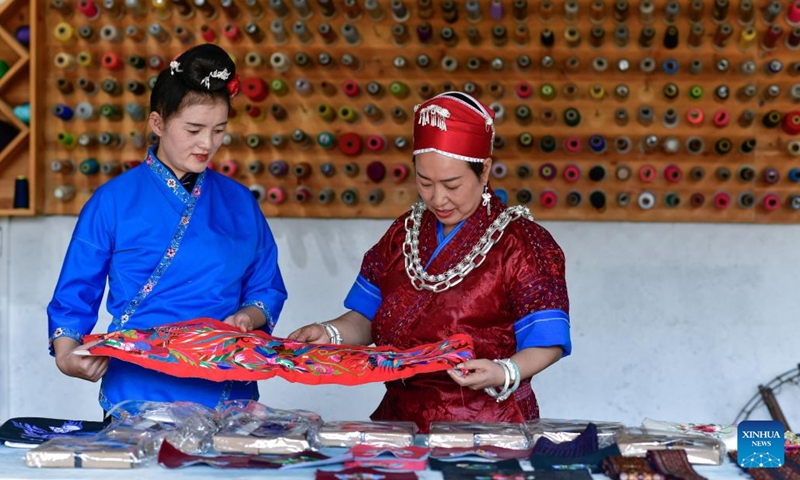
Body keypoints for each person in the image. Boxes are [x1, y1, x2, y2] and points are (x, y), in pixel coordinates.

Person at [290, 91, 570, 432]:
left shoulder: (522, 244)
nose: (438, 198)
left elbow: (548, 340)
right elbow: (366, 317)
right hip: (400, 423)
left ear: (484, 172)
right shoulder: (402, 234)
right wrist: (330, 333)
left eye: (452, 184)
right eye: (425, 182)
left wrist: (504, 370)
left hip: (488, 427)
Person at [47, 44, 287, 417]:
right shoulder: (112, 201)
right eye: (194, 129)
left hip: (224, 385)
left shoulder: (240, 203)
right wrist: (66, 353)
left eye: (219, 130)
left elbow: (266, 286)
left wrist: (248, 318)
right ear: (158, 123)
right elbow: (76, 291)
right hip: (137, 388)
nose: (207, 144)